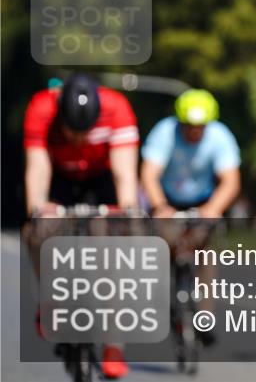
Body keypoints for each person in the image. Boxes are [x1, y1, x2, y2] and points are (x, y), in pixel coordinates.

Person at [23, 73, 139, 379]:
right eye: (71, 131)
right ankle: (49, 298)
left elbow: (125, 173)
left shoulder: (117, 108)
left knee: (113, 249)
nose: (76, 138)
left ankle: (114, 345)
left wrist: (127, 209)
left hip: (101, 178)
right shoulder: (41, 108)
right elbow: (37, 167)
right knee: (37, 232)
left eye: (83, 131)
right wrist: (38, 209)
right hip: (59, 177)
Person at [140, 89, 241, 347]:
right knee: (166, 240)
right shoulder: (165, 132)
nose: (194, 132)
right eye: (188, 126)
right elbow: (149, 174)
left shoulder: (220, 137)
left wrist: (214, 207)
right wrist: (160, 206)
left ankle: (205, 315)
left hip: (203, 200)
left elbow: (230, 181)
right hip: (168, 199)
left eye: (200, 127)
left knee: (205, 252)